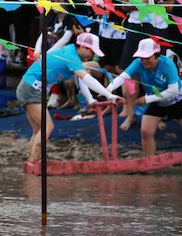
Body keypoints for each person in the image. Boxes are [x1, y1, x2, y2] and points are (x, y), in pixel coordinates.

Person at [16, 33, 120, 163]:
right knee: (47, 128)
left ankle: (31, 162)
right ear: (83, 46)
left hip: (30, 87)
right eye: (91, 51)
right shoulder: (71, 56)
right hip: (31, 89)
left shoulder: (72, 54)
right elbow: (85, 78)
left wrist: (90, 99)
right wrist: (109, 95)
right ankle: (33, 165)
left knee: (38, 130)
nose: (92, 56)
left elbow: (80, 80)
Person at [119, 0, 178, 130]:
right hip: (137, 27)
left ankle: (158, 114)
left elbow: (170, 5)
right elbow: (123, 4)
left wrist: (145, 2)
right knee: (129, 73)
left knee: (158, 72)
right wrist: (144, 2)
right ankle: (129, 113)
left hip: (158, 29)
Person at [104, 38, 182, 156]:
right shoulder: (138, 63)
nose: (144, 61)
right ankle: (150, 163)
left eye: (147, 58)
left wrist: (147, 99)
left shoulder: (167, 64)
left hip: (178, 100)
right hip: (158, 101)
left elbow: (173, 90)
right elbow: (122, 77)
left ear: (156, 55)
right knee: (146, 131)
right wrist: (108, 90)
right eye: (142, 57)